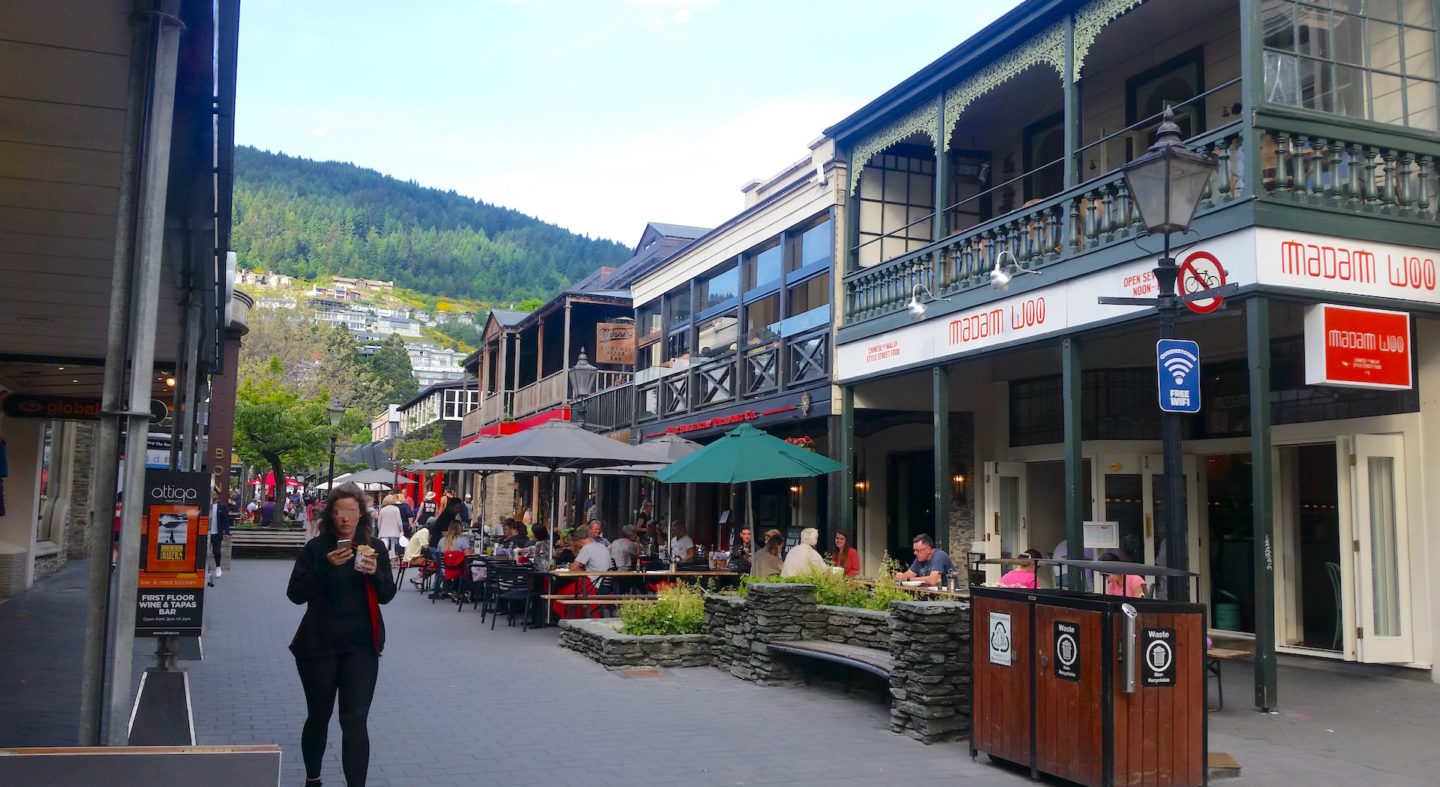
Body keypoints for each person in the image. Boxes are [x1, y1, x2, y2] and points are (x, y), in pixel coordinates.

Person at [286, 482, 396, 787]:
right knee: (318, 717)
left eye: (351, 511)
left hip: (361, 648)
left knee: (354, 723)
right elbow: (294, 594)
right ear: (329, 515)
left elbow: (387, 594)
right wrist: (323, 568)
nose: (345, 518)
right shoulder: (316, 549)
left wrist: (375, 574)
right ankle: (313, 779)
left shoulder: (374, 548)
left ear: (361, 514)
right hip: (318, 647)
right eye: (338, 512)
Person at [208, 490, 231, 587]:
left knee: (216, 551)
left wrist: (226, 532)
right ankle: (206, 569)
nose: (213, 496)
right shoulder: (206, 506)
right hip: (206, 533)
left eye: (214, 494)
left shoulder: (222, 506)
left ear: (217, 496)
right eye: (211, 494)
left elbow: (226, 520)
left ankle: (218, 567)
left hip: (216, 533)